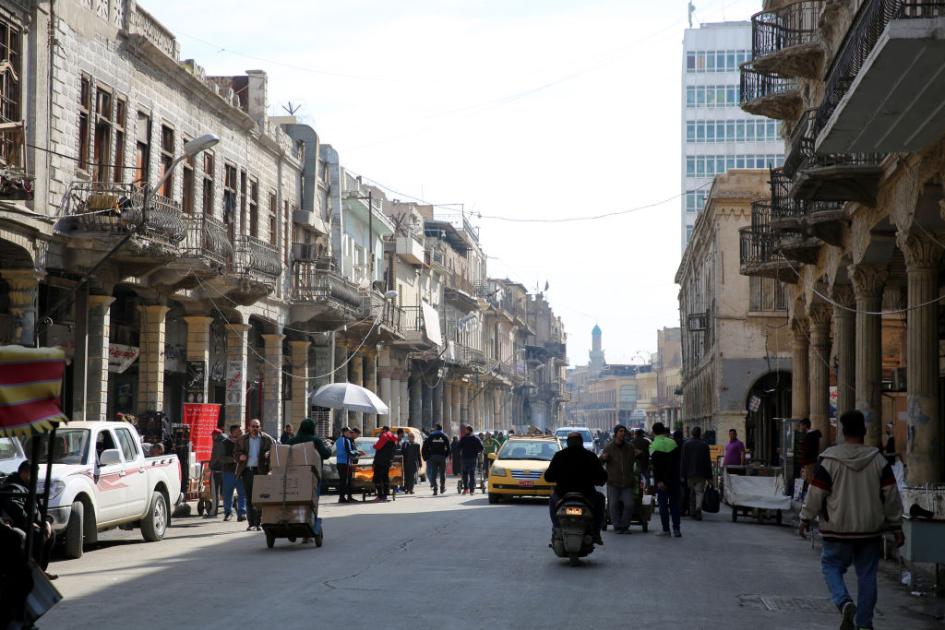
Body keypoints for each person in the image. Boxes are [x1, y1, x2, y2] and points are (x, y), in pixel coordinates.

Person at [800, 410, 904, 630]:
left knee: (830, 565)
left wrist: (805, 518)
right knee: (867, 575)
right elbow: (891, 494)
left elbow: (816, 494)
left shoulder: (829, 461)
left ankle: (844, 601)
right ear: (864, 431)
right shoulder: (878, 460)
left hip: (837, 529)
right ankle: (865, 625)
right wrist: (896, 526)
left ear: (842, 432)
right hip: (869, 530)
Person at [543, 432, 607, 545]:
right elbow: (602, 477)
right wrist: (598, 481)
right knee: (601, 499)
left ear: (568, 442)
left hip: (563, 494)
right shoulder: (590, 456)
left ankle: (557, 528)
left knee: (552, 500)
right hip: (587, 495)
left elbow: (548, 476)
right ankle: (596, 532)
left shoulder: (559, 456)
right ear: (581, 442)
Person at [0, 461, 56, 577]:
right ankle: (31, 572)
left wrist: (46, 522)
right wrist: (30, 523)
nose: (35, 478)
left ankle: (39, 570)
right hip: (17, 523)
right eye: (33, 474)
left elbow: (38, 510)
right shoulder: (14, 487)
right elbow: (15, 509)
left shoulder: (28, 487)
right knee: (36, 535)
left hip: (28, 523)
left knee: (51, 533)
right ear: (24, 473)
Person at [234, 418, 275, 531]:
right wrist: (239, 457)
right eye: (253, 426)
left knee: (260, 498)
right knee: (250, 498)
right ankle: (251, 523)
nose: (255, 429)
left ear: (260, 427)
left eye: (257, 426)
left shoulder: (266, 438)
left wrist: (269, 454)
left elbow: (276, 450)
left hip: (261, 471)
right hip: (247, 471)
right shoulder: (242, 439)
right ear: (249, 427)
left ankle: (259, 522)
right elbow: (235, 454)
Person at [599, 425, 638, 534]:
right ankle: (617, 526)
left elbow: (639, 457)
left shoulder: (630, 447)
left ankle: (625, 525)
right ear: (616, 433)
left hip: (627, 482)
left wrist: (640, 454)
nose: (622, 433)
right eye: (620, 431)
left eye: (624, 431)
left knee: (629, 504)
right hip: (613, 482)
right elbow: (600, 462)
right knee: (613, 505)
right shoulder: (609, 447)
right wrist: (602, 458)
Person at [650, 422, 682, 538]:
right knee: (674, 505)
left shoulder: (654, 445)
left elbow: (656, 466)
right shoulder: (673, 443)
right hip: (674, 479)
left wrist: (659, 481)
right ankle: (677, 529)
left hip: (662, 482)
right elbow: (677, 463)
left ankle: (666, 530)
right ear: (664, 431)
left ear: (653, 432)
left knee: (663, 506)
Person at [680, 426, 712, 520]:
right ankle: (698, 508)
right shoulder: (704, 445)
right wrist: (709, 476)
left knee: (692, 491)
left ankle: (692, 510)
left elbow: (683, 460)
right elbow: (707, 461)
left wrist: (682, 474)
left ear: (692, 433)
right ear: (700, 434)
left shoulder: (686, 444)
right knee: (699, 492)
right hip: (701, 473)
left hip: (689, 473)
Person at [221, 424, 246, 521]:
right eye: (238, 430)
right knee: (227, 494)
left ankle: (242, 513)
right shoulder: (224, 443)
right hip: (228, 472)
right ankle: (228, 513)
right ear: (233, 432)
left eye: (241, 430)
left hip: (240, 471)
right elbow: (221, 458)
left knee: (242, 493)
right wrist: (235, 460)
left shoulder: (243, 442)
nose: (241, 432)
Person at [422, 424, 451, 495]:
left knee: (434, 473)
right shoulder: (444, 436)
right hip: (442, 457)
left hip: (433, 457)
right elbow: (448, 447)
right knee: (442, 473)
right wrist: (446, 455)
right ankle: (442, 488)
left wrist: (428, 456)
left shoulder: (431, 436)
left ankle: (435, 489)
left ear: (436, 428)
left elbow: (425, 446)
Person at [372, 426, 397, 502]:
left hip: (380, 461)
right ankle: (385, 495)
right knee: (385, 478)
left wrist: (375, 444)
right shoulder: (393, 438)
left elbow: (377, 446)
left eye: (381, 430)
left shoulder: (384, 436)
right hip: (388, 462)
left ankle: (380, 496)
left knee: (376, 479)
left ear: (384, 430)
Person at [798, 418, 821, 499]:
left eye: (801, 425)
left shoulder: (810, 436)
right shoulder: (811, 435)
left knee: (810, 478)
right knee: (808, 478)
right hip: (810, 460)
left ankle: (811, 497)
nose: (800, 427)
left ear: (805, 425)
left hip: (809, 461)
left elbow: (808, 450)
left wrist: (803, 461)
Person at [457, 425, 483, 495]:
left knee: (465, 474)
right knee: (471, 474)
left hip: (465, 458)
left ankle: (467, 489)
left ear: (469, 430)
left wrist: (460, 452)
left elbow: (458, 447)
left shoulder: (463, 438)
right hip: (472, 458)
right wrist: (477, 452)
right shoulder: (476, 439)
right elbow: (481, 448)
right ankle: (471, 490)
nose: (465, 431)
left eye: (466, 430)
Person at [207, 428, 227, 518]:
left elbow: (216, 455)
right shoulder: (226, 440)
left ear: (215, 435)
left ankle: (213, 511)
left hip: (216, 470)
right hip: (225, 469)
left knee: (215, 492)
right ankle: (227, 511)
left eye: (212, 435)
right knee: (225, 492)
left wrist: (211, 465)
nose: (212, 437)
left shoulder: (218, 442)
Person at [335, 427, 356, 503]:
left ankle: (342, 497)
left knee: (342, 480)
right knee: (346, 481)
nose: (350, 434)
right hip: (346, 463)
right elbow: (349, 452)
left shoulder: (338, 440)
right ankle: (343, 498)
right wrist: (357, 453)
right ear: (345, 432)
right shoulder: (346, 440)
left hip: (339, 462)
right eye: (349, 432)